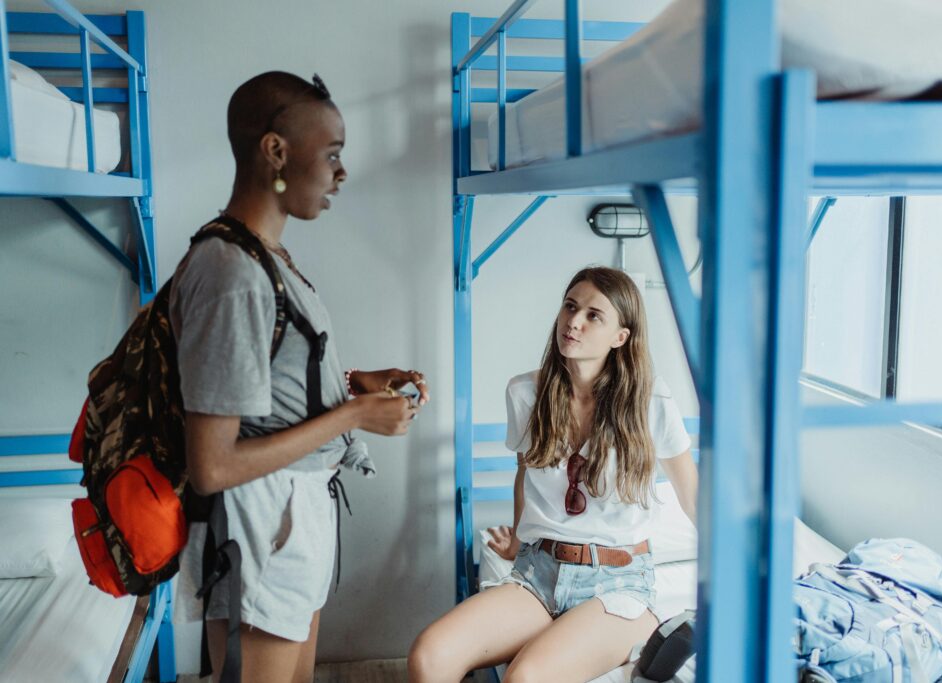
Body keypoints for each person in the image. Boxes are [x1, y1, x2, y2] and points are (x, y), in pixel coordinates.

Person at [169, 71, 429, 683]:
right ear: (276, 151)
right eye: (332, 153)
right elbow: (212, 465)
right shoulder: (232, 274)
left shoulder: (265, 257)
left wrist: (352, 383)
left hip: (292, 512)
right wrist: (353, 416)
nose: (342, 172)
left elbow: (263, 381)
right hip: (256, 525)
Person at [408, 266, 698, 683]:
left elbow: (692, 496)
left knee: (525, 678)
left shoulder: (651, 400)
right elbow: (525, 473)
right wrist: (519, 540)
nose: (574, 321)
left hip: (619, 584)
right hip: (538, 573)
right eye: (570, 307)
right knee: (429, 655)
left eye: (594, 315)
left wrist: (738, 570)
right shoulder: (525, 393)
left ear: (621, 337)